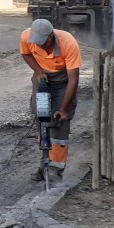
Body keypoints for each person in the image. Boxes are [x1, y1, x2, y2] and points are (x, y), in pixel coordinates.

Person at [20, 18, 81, 181]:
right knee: (42, 117)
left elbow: (73, 79)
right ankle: (44, 164)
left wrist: (63, 108)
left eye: (43, 42)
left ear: (51, 36)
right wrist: (39, 71)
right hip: (43, 78)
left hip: (63, 81)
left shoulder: (68, 43)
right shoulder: (26, 37)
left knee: (58, 121)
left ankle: (56, 168)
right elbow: (25, 54)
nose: (39, 45)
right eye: (36, 42)